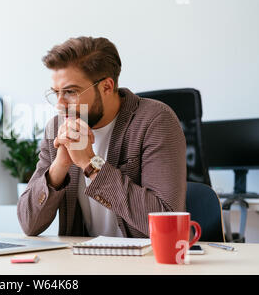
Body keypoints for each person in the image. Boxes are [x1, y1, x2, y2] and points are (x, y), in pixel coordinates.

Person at [17, 36, 187, 238]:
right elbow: (29, 224)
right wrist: (60, 166)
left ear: (107, 86)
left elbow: (166, 222)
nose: (60, 105)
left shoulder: (154, 120)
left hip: (142, 265)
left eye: (71, 92)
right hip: (82, 263)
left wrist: (91, 164)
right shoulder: (57, 127)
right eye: (56, 93)